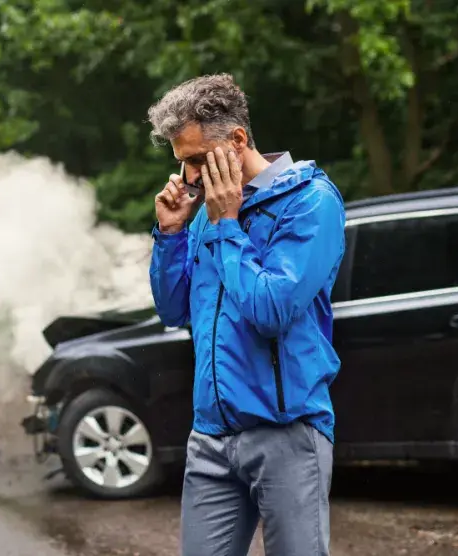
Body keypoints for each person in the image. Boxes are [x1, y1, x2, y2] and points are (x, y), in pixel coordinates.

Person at [147, 74, 346, 556]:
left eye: (197, 159)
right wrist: (171, 235)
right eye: (182, 163)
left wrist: (227, 223)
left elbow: (271, 309)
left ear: (237, 140)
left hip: (287, 433)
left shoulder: (310, 203)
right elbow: (175, 310)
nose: (190, 177)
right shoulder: (208, 215)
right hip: (211, 436)